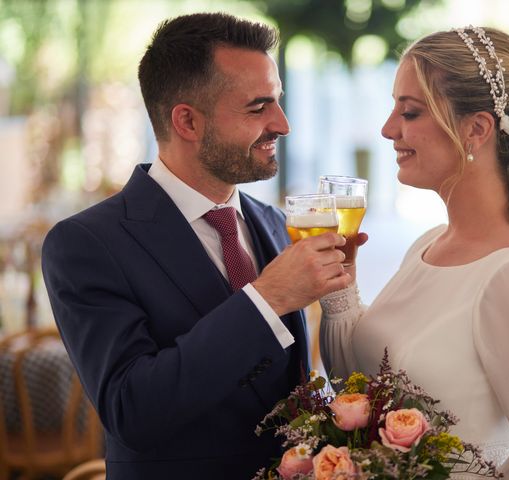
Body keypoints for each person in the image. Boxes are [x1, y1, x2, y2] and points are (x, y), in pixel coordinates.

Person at [41, 12, 350, 479]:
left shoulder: (273, 223)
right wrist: (267, 299)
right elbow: (132, 411)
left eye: (279, 102)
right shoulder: (85, 243)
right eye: (257, 107)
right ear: (186, 121)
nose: (282, 124)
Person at [319, 26, 509, 478]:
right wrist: (339, 289)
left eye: (409, 112)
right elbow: (363, 388)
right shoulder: (427, 245)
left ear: (476, 129)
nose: (388, 129)